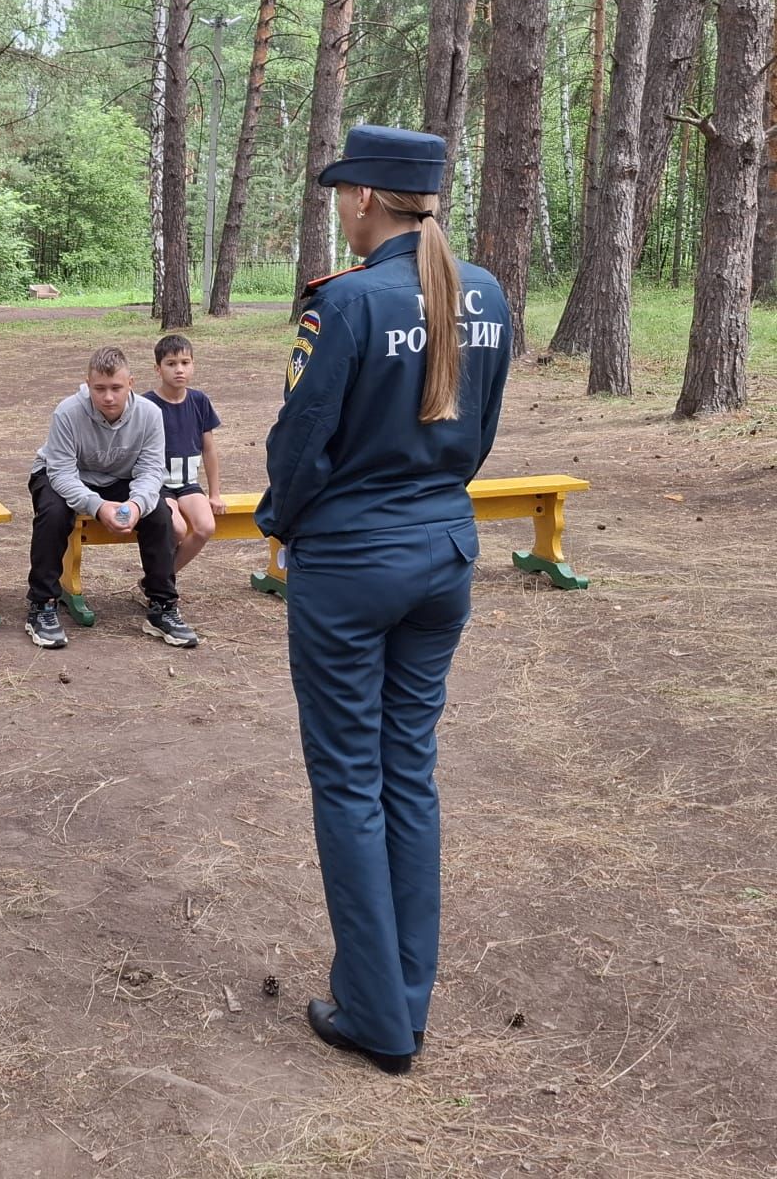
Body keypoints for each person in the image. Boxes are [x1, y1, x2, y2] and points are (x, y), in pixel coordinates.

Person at [257, 125, 511, 1075]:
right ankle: (406, 996)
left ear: (364, 198)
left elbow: (300, 439)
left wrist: (283, 523)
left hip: (354, 563)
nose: (337, 206)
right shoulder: (484, 293)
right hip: (444, 552)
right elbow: (478, 433)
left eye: (339, 193)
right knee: (409, 772)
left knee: (350, 783)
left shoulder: (348, 304)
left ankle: (375, 1014)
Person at [25, 346, 198, 650]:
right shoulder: (67, 412)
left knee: (158, 513)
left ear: (131, 383)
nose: (108, 397)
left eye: (116, 388)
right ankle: (42, 604)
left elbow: (150, 471)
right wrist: (98, 506)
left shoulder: (150, 414)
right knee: (53, 514)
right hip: (61, 475)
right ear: (87, 383)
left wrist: (135, 505)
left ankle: (162, 605)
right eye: (99, 389)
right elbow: (62, 474)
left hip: (119, 478)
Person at [143, 333, 226, 574]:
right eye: (171, 364)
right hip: (158, 485)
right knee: (177, 528)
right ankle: (160, 581)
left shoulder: (199, 401)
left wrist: (215, 494)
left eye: (185, 363)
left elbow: (209, 450)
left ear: (193, 365)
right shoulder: (146, 405)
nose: (179, 370)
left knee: (205, 527)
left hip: (188, 484)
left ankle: (159, 579)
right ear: (157, 369)